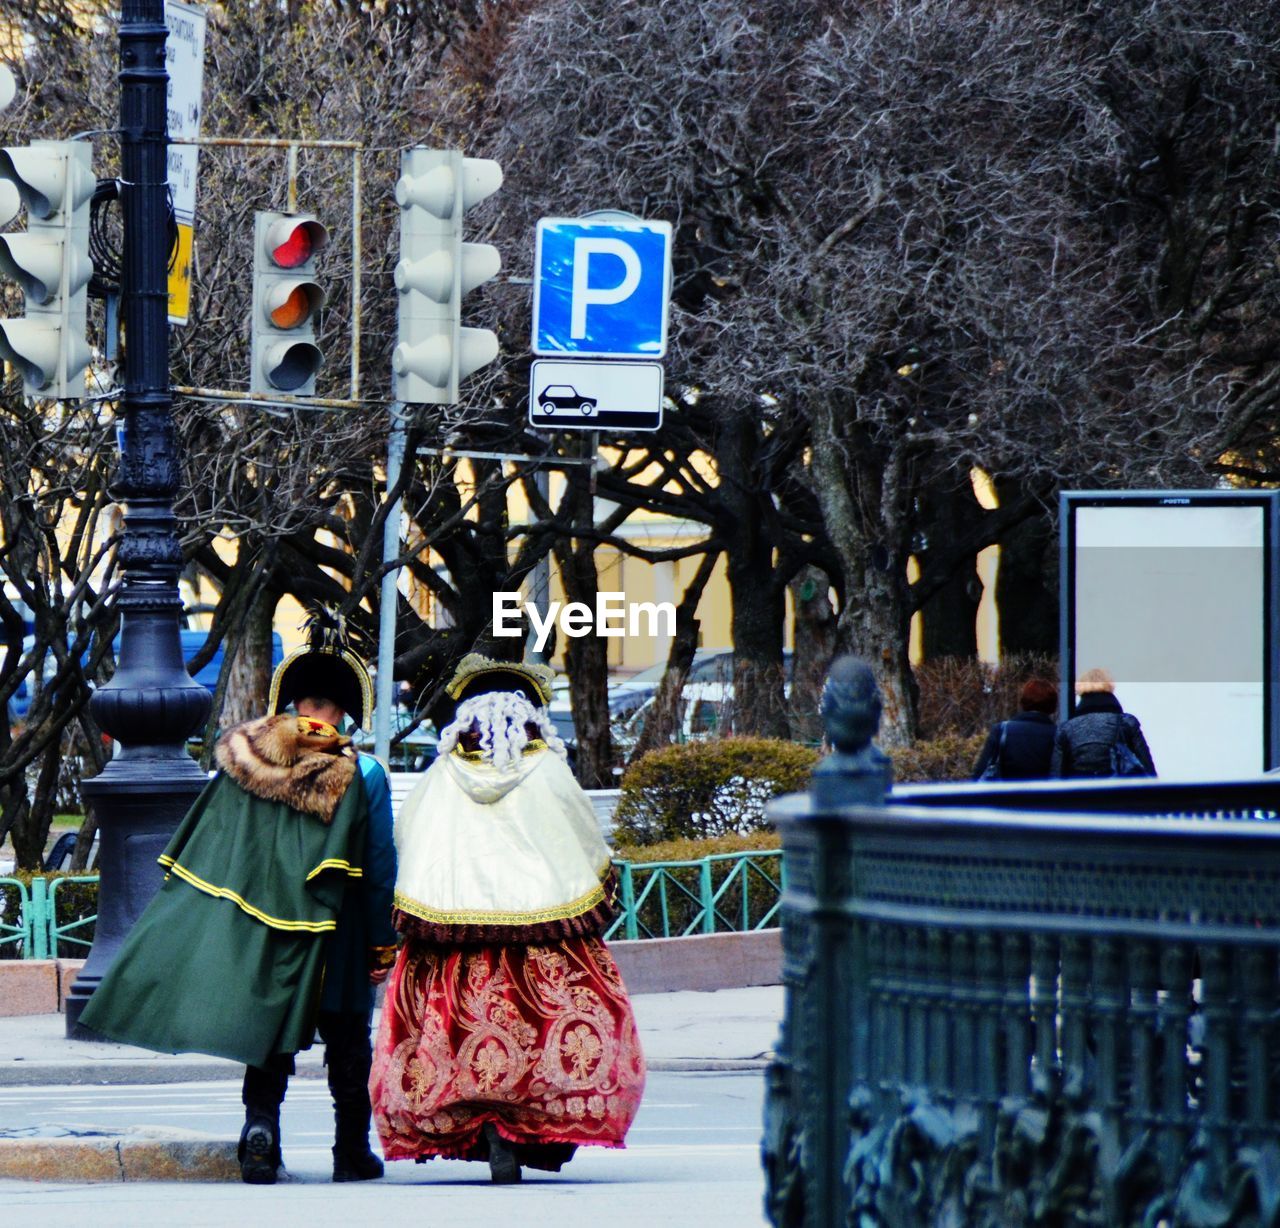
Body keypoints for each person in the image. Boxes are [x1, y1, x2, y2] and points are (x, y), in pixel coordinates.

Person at [80, 618, 398, 1185]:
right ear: (344, 711)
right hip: (337, 931)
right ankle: (351, 1150)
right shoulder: (364, 771)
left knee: (268, 1029)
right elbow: (378, 867)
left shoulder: (245, 759)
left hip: (264, 925)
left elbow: (223, 847)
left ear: (292, 702)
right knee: (348, 1036)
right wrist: (382, 942)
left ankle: (260, 1134)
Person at [370, 653, 645, 1184]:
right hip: (542, 936)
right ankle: (527, 1128)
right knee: (545, 1029)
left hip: (453, 937)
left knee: (456, 1032)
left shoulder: (443, 772)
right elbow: (586, 840)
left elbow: (410, 836)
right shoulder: (546, 769)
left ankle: (485, 1125)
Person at [1050, 667, 1156, 778]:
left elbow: (1056, 775)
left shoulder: (1066, 729)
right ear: (1110, 687)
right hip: (1118, 792)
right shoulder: (1127, 723)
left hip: (1080, 793)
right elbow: (1148, 769)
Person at [972, 678, 1058, 780]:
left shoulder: (1002, 730)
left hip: (1008, 793)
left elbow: (981, 771)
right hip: (1047, 794)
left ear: (1023, 702)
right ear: (1053, 705)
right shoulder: (1058, 734)